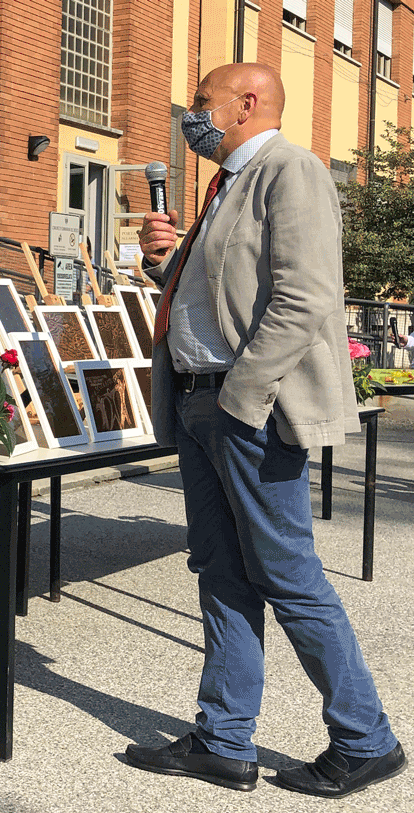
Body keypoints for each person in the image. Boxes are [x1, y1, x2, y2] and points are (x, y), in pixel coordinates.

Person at [129, 62, 405, 797]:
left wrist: (241, 400)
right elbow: (218, 298)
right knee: (220, 572)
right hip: (199, 403)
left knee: (288, 576)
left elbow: (306, 296)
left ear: (245, 104)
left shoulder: (291, 171)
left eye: (201, 103)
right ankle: (223, 738)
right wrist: (165, 265)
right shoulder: (223, 189)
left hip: (244, 411)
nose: (192, 115)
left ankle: (365, 738)